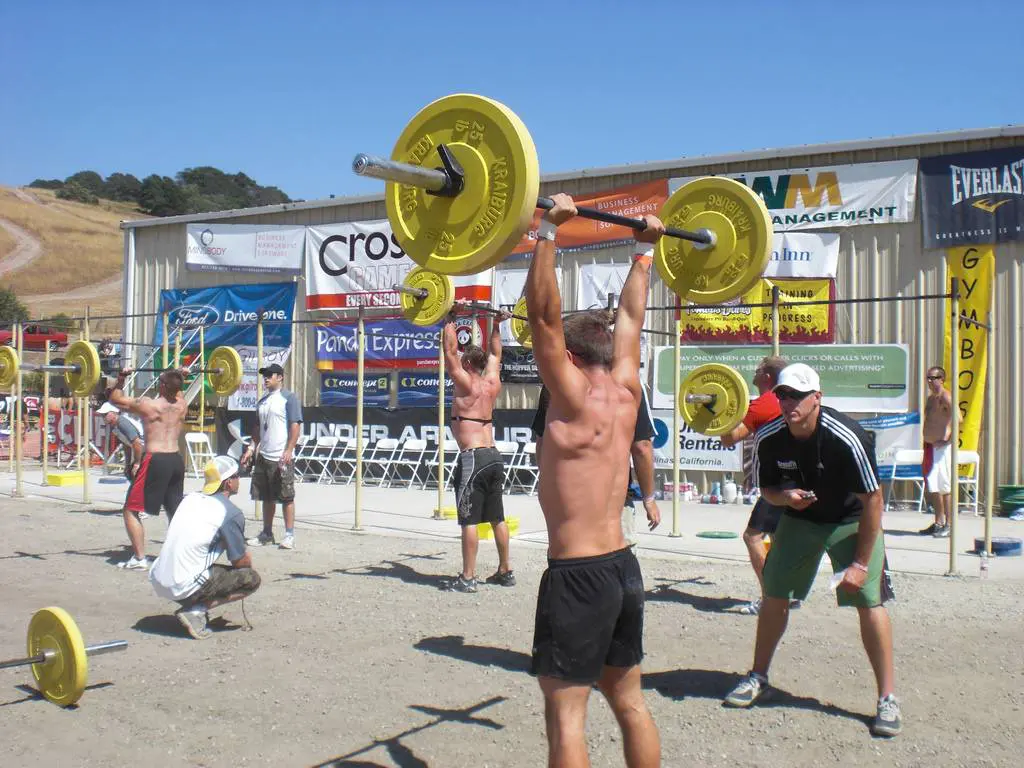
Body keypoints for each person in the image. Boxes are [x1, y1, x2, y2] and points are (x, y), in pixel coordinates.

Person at [526, 194, 663, 767]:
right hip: (622, 567)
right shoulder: (628, 389)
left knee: (566, 716)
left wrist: (547, 233)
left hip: (577, 574)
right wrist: (644, 249)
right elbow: (631, 316)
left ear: (573, 359)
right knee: (629, 701)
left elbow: (541, 318)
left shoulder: (574, 395)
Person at [723, 363, 901, 738]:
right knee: (774, 593)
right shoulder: (770, 436)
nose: (789, 403)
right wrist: (785, 497)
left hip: (851, 520)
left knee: (869, 601)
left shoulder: (846, 437)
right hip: (801, 520)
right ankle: (758, 677)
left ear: (817, 398)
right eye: (783, 395)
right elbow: (767, 490)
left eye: (798, 397)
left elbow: (873, 501)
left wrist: (859, 563)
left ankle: (887, 698)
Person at [531, 317, 662, 546]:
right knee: (616, 572)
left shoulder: (555, 389)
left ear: (569, 356)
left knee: (570, 566)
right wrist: (649, 498)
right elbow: (642, 447)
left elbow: (542, 444)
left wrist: (551, 486)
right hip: (612, 503)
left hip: (568, 504)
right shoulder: (626, 389)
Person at [443, 301, 514, 593]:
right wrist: (497, 324)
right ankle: (505, 570)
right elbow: (496, 352)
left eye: (463, 361)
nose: (458, 363)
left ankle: (468, 577)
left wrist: (449, 316)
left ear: (468, 365)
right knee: (496, 517)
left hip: (473, 457)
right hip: (493, 457)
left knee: (469, 519)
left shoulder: (466, 383)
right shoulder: (491, 382)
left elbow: (448, 351)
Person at [149, 456, 261, 640]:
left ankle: (195, 605)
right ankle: (197, 610)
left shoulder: (190, 499)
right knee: (251, 578)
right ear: (227, 483)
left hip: (158, 576)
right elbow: (240, 561)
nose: (239, 479)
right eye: (236, 476)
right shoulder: (230, 513)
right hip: (181, 583)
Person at [719, 355, 788, 615]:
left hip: (778, 485)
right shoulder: (789, 400)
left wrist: (718, 413)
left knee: (753, 536)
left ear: (767, 377)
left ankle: (770, 598)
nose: (754, 373)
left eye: (758, 370)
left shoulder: (763, 404)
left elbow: (730, 438)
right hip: (795, 479)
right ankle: (787, 594)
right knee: (780, 539)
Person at [109, 366, 189, 570]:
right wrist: (179, 376)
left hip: (155, 460)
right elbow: (175, 390)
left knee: (130, 509)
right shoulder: (182, 404)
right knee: (175, 511)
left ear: (162, 386)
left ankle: (139, 558)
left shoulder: (148, 405)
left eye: (160, 381)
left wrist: (121, 377)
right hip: (176, 461)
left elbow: (115, 399)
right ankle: (179, 557)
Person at [241, 363, 303, 550]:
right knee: (266, 497)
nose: (266, 378)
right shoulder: (263, 401)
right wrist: (251, 448)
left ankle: (289, 535)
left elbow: (295, 425)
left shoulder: (289, 399)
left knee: (286, 497)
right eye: (265, 375)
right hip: (264, 456)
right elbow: (258, 428)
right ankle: (267, 533)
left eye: (270, 375)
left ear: (280, 377)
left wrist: (289, 450)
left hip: (281, 456)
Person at [920, 366, 953, 537]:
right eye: (928, 378)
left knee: (944, 486)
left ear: (942, 379)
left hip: (942, 448)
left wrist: (947, 437)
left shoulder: (946, 396)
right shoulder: (931, 399)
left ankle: (949, 524)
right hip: (930, 446)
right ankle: (938, 521)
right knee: (932, 485)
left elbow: (957, 417)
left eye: (934, 378)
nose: (930, 381)